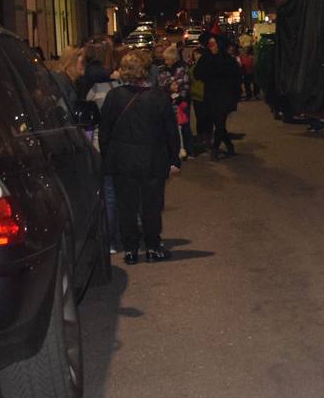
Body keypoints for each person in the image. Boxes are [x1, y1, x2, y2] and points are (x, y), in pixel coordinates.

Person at [99, 52, 181, 263]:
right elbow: (170, 132)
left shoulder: (114, 97)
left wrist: (108, 157)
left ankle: (130, 250)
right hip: (152, 158)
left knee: (126, 206)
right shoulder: (158, 97)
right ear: (146, 70)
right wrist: (174, 158)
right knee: (151, 205)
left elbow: (105, 130)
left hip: (122, 160)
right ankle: (152, 246)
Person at [193, 35, 241, 159]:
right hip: (211, 95)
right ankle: (229, 146)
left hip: (225, 95)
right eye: (210, 44)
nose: (211, 47)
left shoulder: (228, 60)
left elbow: (236, 78)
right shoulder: (206, 58)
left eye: (214, 44)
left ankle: (215, 148)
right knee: (218, 123)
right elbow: (197, 74)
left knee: (220, 122)